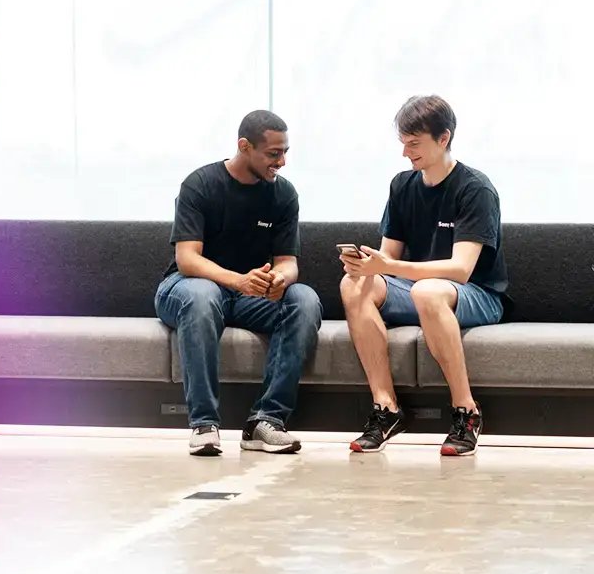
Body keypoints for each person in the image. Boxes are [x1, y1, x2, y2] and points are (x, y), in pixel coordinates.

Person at [341, 95, 509, 457]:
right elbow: (390, 256)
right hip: (419, 289)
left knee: (429, 292)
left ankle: (466, 412)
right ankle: (386, 409)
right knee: (353, 285)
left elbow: (460, 269)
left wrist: (388, 268)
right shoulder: (402, 186)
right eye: (403, 143)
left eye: (414, 144)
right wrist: (367, 264)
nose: (406, 152)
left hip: (476, 294)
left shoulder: (475, 189)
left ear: (443, 138)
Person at [154, 110, 322, 457]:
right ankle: (204, 422)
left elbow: (288, 263)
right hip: (187, 287)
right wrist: (239, 281)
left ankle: (266, 421)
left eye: (285, 151)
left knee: (304, 299)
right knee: (203, 295)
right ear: (244, 147)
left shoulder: (283, 195)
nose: (282, 161)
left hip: (248, 296)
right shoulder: (200, 185)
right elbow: (188, 259)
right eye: (274, 153)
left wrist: (279, 280)